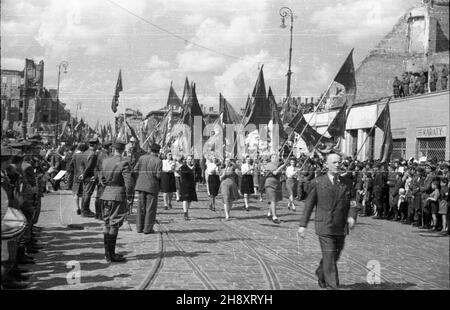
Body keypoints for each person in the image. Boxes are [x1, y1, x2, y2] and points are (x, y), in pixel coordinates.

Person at [297, 152, 357, 290]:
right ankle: (333, 285)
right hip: (324, 225)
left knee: (335, 254)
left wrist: (352, 216)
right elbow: (309, 205)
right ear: (326, 164)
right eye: (334, 162)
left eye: (339, 162)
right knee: (329, 255)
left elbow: (353, 202)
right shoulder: (317, 182)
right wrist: (302, 225)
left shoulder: (347, 183)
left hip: (341, 225)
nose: (338, 165)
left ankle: (321, 272)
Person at [99, 142, 133, 263]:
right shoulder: (124, 162)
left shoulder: (105, 161)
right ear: (123, 149)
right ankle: (111, 255)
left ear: (113, 149)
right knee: (114, 224)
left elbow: (101, 179)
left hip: (106, 194)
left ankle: (107, 254)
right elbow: (128, 183)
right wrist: (129, 196)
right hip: (118, 195)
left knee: (106, 222)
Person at [133, 143, 162, 234]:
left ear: (150, 150)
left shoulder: (142, 158)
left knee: (140, 207)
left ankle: (139, 228)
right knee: (150, 208)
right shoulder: (158, 161)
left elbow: (135, 169)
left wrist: (141, 176)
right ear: (158, 151)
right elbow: (158, 175)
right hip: (152, 186)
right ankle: (147, 229)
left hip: (141, 185)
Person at [263, 154, 286, 224]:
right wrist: (282, 166)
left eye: (276, 157)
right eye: (273, 157)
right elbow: (275, 172)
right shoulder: (269, 164)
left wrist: (283, 167)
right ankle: (274, 217)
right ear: (271, 158)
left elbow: (280, 174)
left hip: (277, 184)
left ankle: (269, 213)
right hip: (270, 183)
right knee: (272, 200)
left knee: (275, 200)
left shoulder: (277, 165)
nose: (275, 158)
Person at [79, 138, 99, 217]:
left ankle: (84, 210)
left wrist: (82, 174)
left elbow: (81, 164)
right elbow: (90, 166)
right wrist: (84, 174)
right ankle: (85, 211)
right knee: (87, 193)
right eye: (97, 145)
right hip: (90, 176)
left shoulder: (85, 152)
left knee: (85, 193)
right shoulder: (93, 154)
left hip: (84, 175)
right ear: (95, 145)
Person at [67, 142, 87, 215]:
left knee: (76, 193)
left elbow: (70, 165)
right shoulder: (86, 155)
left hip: (76, 177)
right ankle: (83, 208)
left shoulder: (75, 155)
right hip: (85, 177)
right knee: (84, 193)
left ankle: (77, 207)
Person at [94, 141, 112, 220]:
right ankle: (100, 215)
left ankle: (98, 214)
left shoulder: (99, 153)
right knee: (101, 197)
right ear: (109, 147)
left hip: (100, 177)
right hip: (103, 178)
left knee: (99, 197)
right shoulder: (105, 155)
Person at [178, 155, 198, 221]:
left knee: (189, 200)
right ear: (186, 160)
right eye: (189, 159)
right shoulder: (183, 167)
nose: (190, 160)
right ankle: (185, 213)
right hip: (185, 185)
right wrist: (190, 170)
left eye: (191, 159)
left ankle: (187, 211)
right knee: (185, 199)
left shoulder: (193, 167)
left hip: (191, 185)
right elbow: (183, 174)